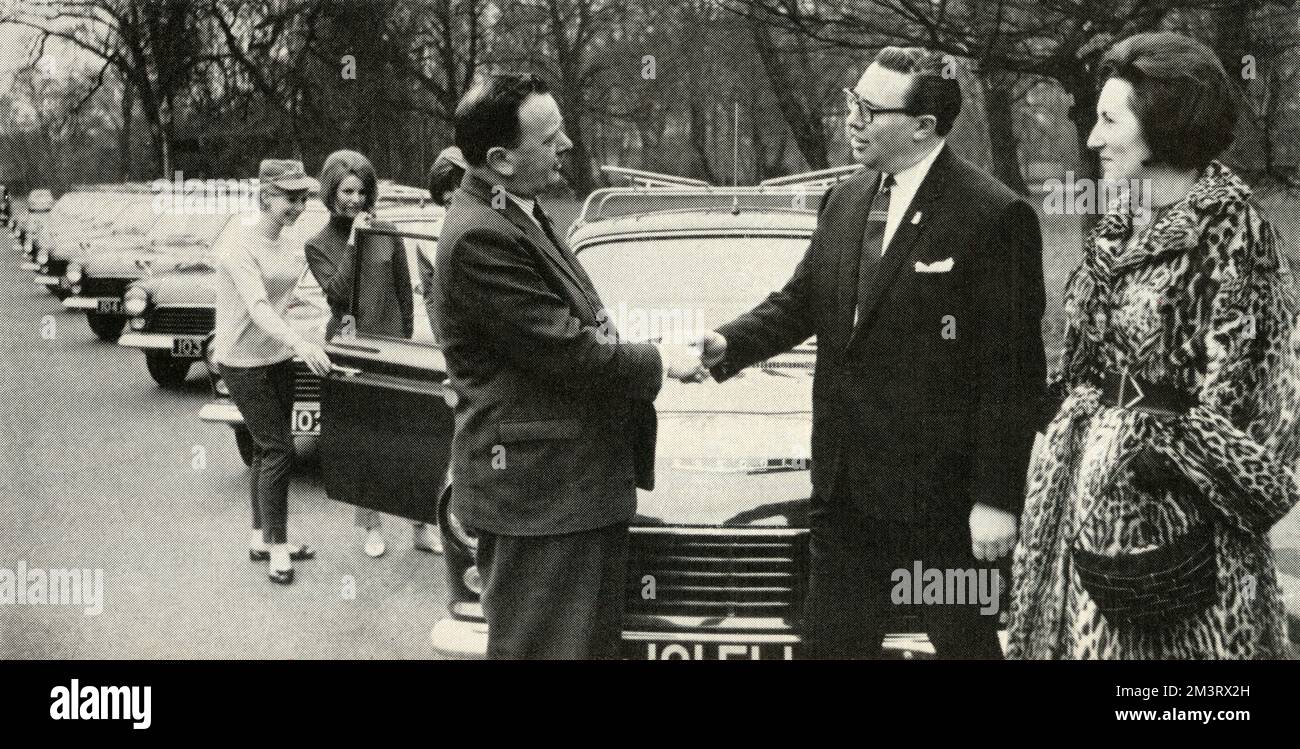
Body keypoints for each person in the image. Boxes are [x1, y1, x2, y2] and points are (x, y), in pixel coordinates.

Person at [697, 47, 1047, 658]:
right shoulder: (845, 201)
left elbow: (1012, 372)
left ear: (923, 127)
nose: (850, 120)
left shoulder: (994, 217)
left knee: (966, 647)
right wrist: (728, 344)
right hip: (844, 497)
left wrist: (995, 499)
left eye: (866, 109)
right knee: (832, 649)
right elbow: (799, 304)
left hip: (942, 507)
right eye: (850, 104)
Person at [1007, 32, 1300, 659]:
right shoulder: (1117, 221)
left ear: (1163, 126)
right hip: (1084, 502)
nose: (1092, 139)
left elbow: (1266, 406)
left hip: (1176, 535)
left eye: (1111, 120)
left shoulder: (1233, 231)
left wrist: (1159, 471)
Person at [431, 72, 703, 659]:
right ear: (502, 159)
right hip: (541, 497)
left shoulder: (512, 212)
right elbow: (566, 351)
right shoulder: (483, 234)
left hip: (566, 490)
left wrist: (649, 349)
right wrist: (662, 359)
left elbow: (569, 334)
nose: (567, 147)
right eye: (550, 138)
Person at [304, 149, 442, 558]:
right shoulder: (318, 244)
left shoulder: (388, 230)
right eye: (347, 191)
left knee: (410, 437)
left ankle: (421, 524)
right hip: (349, 349)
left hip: (392, 347)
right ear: (331, 192)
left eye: (362, 192)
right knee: (364, 440)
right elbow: (337, 293)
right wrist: (352, 240)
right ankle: (371, 527)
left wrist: (402, 344)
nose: (356, 200)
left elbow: (403, 291)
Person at [212, 159, 332, 585]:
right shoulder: (238, 245)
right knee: (280, 449)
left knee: (267, 451)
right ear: (266, 196)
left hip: (277, 356)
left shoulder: (289, 244)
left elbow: (292, 299)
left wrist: (315, 333)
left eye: (304, 198)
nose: (299, 207)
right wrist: (298, 342)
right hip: (242, 362)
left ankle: (261, 538)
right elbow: (259, 306)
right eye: (291, 198)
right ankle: (279, 549)